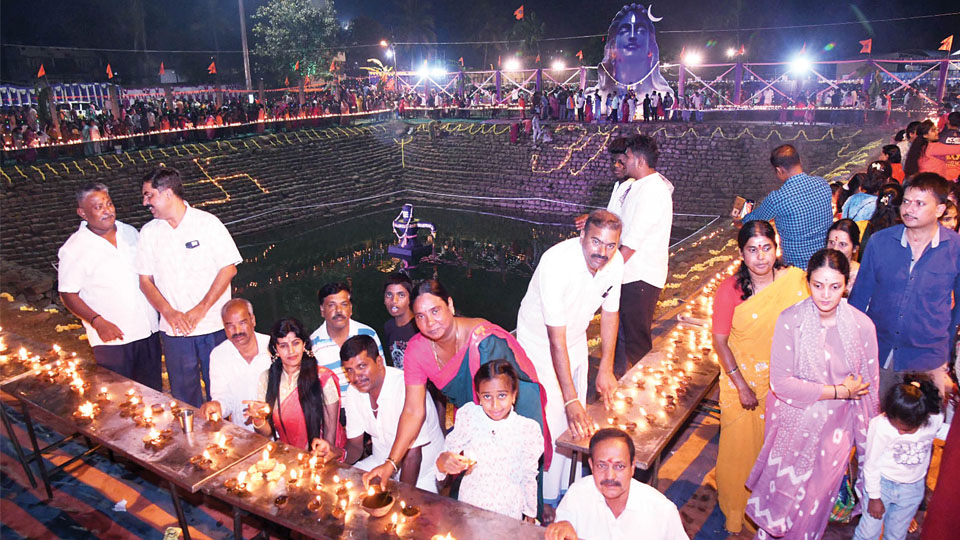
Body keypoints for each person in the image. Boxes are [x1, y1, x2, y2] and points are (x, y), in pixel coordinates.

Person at [361, 279, 552, 500]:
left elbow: (498, 400)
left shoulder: (485, 342)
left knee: (510, 483)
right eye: (421, 316)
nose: (430, 322)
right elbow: (414, 410)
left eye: (435, 311)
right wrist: (390, 464)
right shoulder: (417, 350)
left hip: (512, 408)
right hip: (474, 416)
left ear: (450, 305)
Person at [746, 248, 879, 540]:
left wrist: (870, 449)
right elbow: (781, 383)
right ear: (807, 283)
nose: (826, 295)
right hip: (792, 427)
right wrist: (839, 391)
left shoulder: (862, 326)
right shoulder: (790, 319)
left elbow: (870, 394)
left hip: (836, 434)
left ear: (847, 284)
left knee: (814, 505)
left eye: (835, 286)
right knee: (781, 502)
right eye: (818, 285)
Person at [516, 209, 624, 505]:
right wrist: (569, 398)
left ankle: (569, 489)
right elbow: (555, 339)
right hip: (539, 343)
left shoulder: (616, 264)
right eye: (596, 242)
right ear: (582, 237)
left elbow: (610, 315)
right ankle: (548, 500)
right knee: (554, 418)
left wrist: (606, 368)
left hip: (576, 339)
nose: (602, 252)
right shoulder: (556, 263)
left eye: (611, 245)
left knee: (579, 418)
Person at [711, 221, 810, 534]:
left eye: (766, 248)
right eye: (752, 250)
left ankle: (770, 512)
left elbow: (808, 328)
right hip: (741, 383)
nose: (761, 257)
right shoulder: (730, 290)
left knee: (778, 454)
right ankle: (734, 511)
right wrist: (741, 386)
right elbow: (720, 342)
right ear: (741, 254)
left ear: (776, 248)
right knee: (738, 453)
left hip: (783, 383)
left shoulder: (794, 281)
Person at [136, 166, 242, 407]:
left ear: (168, 193)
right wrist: (169, 312)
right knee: (184, 396)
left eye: (148, 195)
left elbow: (228, 269)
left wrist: (200, 309)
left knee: (223, 393)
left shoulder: (207, 224)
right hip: (175, 332)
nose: (145, 202)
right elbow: (145, 280)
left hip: (213, 325)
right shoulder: (149, 233)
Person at [850, 173, 960, 398]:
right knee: (878, 421)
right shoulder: (880, 242)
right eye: (906, 201)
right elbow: (859, 300)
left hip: (928, 358)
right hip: (881, 352)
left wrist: (945, 347)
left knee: (925, 427)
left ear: (939, 210)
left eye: (920, 203)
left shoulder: (955, 248)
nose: (909, 209)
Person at [58, 182, 161, 390]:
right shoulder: (74, 249)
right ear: (82, 213)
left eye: (109, 203)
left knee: (153, 395)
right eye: (98, 207)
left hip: (147, 331)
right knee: (121, 398)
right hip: (113, 340)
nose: (107, 210)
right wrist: (97, 321)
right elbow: (68, 293)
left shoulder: (130, 232)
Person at [436, 360, 543, 521]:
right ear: (478, 396)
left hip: (508, 510)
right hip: (471, 504)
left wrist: (529, 515)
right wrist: (444, 461)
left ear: (514, 395)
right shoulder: (470, 417)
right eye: (487, 396)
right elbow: (447, 455)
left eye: (502, 395)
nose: (494, 405)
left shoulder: (527, 430)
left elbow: (529, 476)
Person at [605, 135, 674, 376]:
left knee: (636, 341)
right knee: (624, 337)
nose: (626, 161)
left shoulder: (653, 190)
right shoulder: (636, 186)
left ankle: (644, 390)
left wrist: (606, 272)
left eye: (629, 156)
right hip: (629, 275)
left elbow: (632, 241)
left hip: (641, 277)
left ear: (640, 159)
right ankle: (622, 386)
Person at [340, 335, 444, 492]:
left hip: (424, 472)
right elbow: (355, 446)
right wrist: (337, 457)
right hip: (380, 462)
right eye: (350, 370)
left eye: (362, 366)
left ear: (379, 362)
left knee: (408, 513)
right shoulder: (354, 391)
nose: (356, 377)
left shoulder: (406, 389)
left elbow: (413, 456)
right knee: (341, 483)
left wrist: (397, 496)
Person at [545, 429, 688, 540]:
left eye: (619, 466)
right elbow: (563, 525)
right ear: (591, 465)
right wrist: (561, 528)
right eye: (602, 465)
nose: (610, 476)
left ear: (633, 467)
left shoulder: (662, 511)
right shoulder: (578, 494)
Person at [852, 375, 943, 540]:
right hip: (882, 485)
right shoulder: (881, 425)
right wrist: (874, 497)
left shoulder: (934, 420)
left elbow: (945, 433)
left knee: (896, 535)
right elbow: (871, 464)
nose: (900, 432)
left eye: (907, 430)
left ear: (922, 419)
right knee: (868, 533)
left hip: (912, 488)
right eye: (896, 426)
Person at [248, 318, 344, 455]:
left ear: (304, 344)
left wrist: (319, 460)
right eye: (283, 346)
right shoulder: (267, 379)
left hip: (321, 455)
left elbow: (330, 433)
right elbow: (267, 433)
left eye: (296, 343)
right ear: (275, 349)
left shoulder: (323, 379)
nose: (291, 351)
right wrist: (258, 418)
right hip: (287, 454)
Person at [740, 144, 833, 268]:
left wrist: (739, 218)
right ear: (800, 161)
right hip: (824, 261)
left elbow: (750, 221)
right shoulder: (823, 185)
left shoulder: (778, 198)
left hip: (796, 267)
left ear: (779, 170)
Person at [199, 299, 272, 430]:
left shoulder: (273, 347)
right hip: (242, 434)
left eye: (242, 323)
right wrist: (217, 406)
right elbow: (223, 398)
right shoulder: (219, 355)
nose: (237, 331)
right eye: (230, 326)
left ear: (253, 320)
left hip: (278, 433)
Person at [309, 281, 383, 393]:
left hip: (369, 405)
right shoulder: (313, 344)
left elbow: (382, 373)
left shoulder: (368, 334)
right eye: (331, 305)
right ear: (322, 310)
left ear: (351, 308)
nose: (339, 310)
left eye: (344, 304)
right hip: (334, 409)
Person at [382, 273, 417, 369]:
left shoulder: (419, 326)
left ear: (410, 298)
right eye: (389, 295)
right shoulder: (388, 326)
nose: (394, 300)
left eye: (401, 295)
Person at [826, 219, 861, 292]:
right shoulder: (819, 270)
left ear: (855, 248)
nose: (835, 249)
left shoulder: (860, 277)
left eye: (842, 244)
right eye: (831, 242)